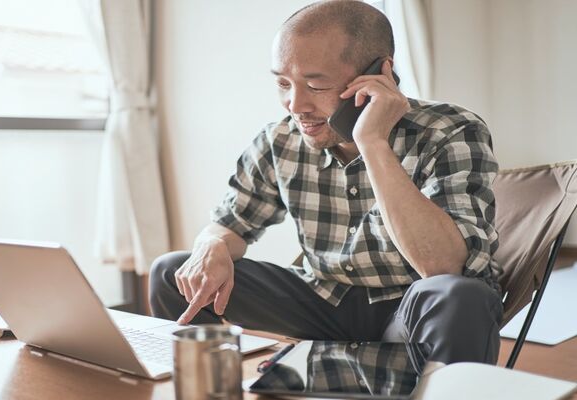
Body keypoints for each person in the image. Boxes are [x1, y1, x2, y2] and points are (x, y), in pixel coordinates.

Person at [150, 0, 503, 364]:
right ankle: (209, 398)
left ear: (380, 73)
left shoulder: (451, 130)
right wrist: (212, 245)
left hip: (412, 307)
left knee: (461, 297)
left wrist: (372, 143)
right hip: (323, 302)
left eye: (316, 86)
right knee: (173, 271)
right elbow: (229, 224)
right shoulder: (280, 140)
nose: (295, 104)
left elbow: (442, 266)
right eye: (284, 83)